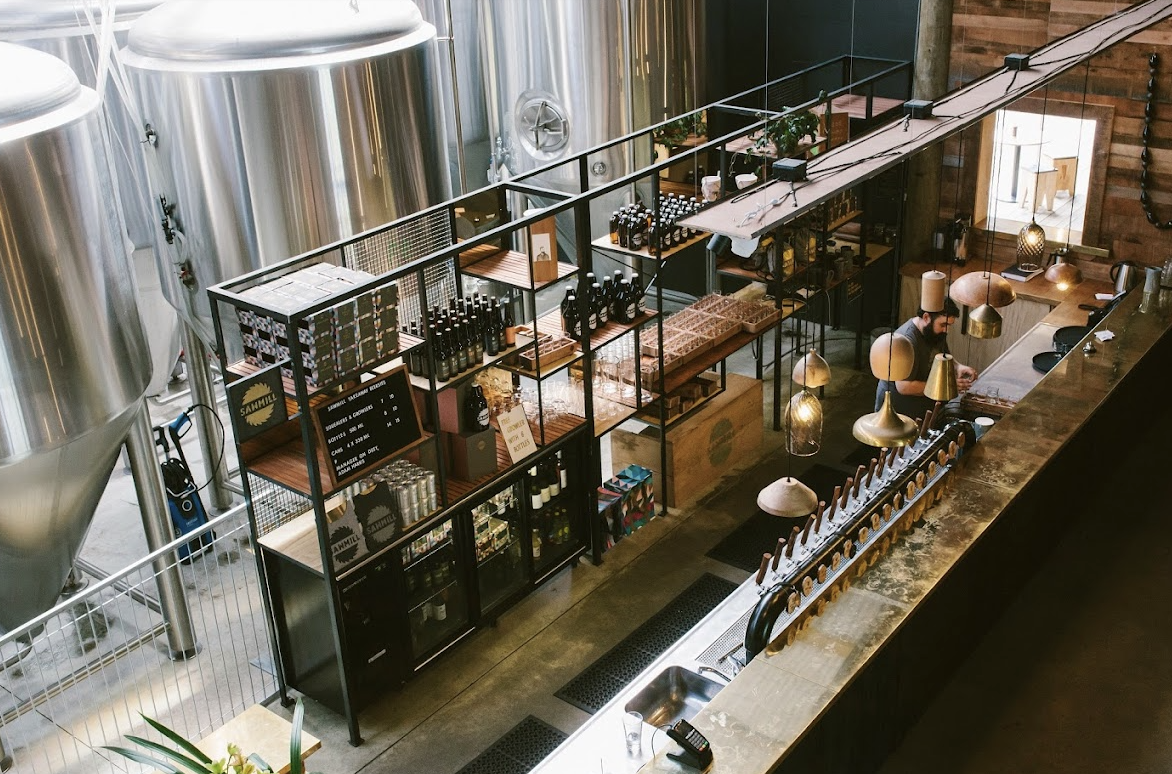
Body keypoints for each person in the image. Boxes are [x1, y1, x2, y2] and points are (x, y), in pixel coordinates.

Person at [874, 297, 977, 420]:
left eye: (949, 325)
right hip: (898, 412)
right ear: (926, 317)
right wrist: (947, 386)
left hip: (922, 408)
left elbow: (941, 353)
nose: (946, 330)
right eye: (943, 325)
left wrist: (957, 366)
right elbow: (904, 387)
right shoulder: (907, 340)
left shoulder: (933, 332)